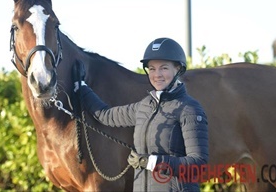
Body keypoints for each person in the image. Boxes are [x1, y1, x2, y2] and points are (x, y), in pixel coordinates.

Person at [72, 37, 209, 192]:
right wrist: (81, 88)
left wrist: (154, 162)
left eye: (163, 68)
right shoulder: (144, 106)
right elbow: (105, 115)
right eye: (152, 69)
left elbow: (198, 165)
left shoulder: (190, 109)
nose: (157, 74)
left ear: (178, 69)